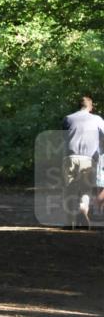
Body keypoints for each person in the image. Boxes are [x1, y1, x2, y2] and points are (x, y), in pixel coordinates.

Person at [62, 95, 104, 228]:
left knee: (70, 189)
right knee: (86, 189)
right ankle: (83, 209)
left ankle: (70, 221)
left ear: (78, 106)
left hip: (70, 158)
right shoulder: (97, 119)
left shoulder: (68, 118)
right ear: (90, 107)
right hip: (89, 159)